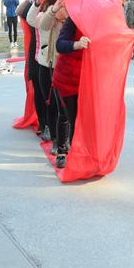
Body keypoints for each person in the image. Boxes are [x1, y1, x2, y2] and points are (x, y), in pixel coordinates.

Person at [53, 15, 90, 168]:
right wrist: (77, 44)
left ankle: (78, 153)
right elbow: (59, 44)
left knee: (80, 119)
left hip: (85, 80)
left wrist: (130, 41)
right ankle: (63, 152)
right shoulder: (74, 19)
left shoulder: (100, 23)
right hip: (66, 80)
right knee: (69, 118)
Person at [27, 0, 62, 144]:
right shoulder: (42, 18)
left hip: (60, 66)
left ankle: (60, 136)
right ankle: (50, 130)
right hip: (44, 64)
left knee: (59, 104)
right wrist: (36, 2)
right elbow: (30, 18)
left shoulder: (65, 21)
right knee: (48, 100)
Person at [17, 0, 46, 135]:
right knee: (39, 91)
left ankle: (49, 124)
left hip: (48, 57)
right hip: (35, 54)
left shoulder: (49, 10)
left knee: (48, 93)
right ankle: (43, 123)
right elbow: (19, 11)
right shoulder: (32, 13)